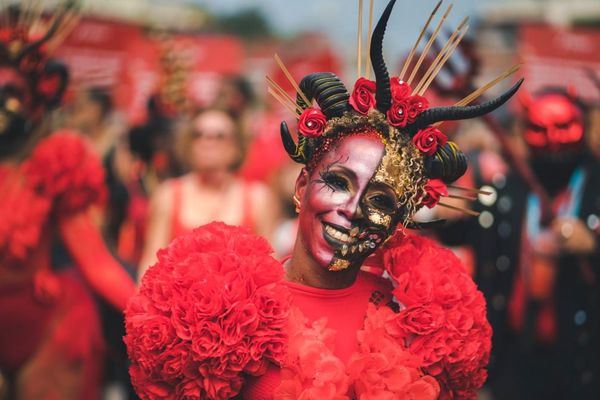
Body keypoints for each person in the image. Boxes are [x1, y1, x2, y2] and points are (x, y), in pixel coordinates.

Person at [124, 1, 522, 398]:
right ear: (301, 187)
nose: (352, 210)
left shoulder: (411, 319)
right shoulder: (230, 312)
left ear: (399, 220)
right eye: (339, 181)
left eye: (381, 201)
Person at [0, 4, 136, 399]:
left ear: (35, 100)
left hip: (49, 331)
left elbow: (96, 262)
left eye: (10, 94)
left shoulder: (53, 163)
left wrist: (154, 317)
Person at [437, 87, 600, 399]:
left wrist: (591, 243)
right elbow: (465, 234)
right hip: (514, 355)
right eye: (540, 129)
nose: (553, 140)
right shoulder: (509, 188)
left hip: (584, 358)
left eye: (563, 127)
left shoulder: (595, 188)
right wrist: (448, 215)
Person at [137, 107, 281, 280]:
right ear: (189, 145)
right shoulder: (167, 194)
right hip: (179, 303)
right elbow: (150, 264)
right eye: (199, 135)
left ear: (236, 147)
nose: (207, 142)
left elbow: (271, 266)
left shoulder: (259, 197)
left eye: (219, 136)